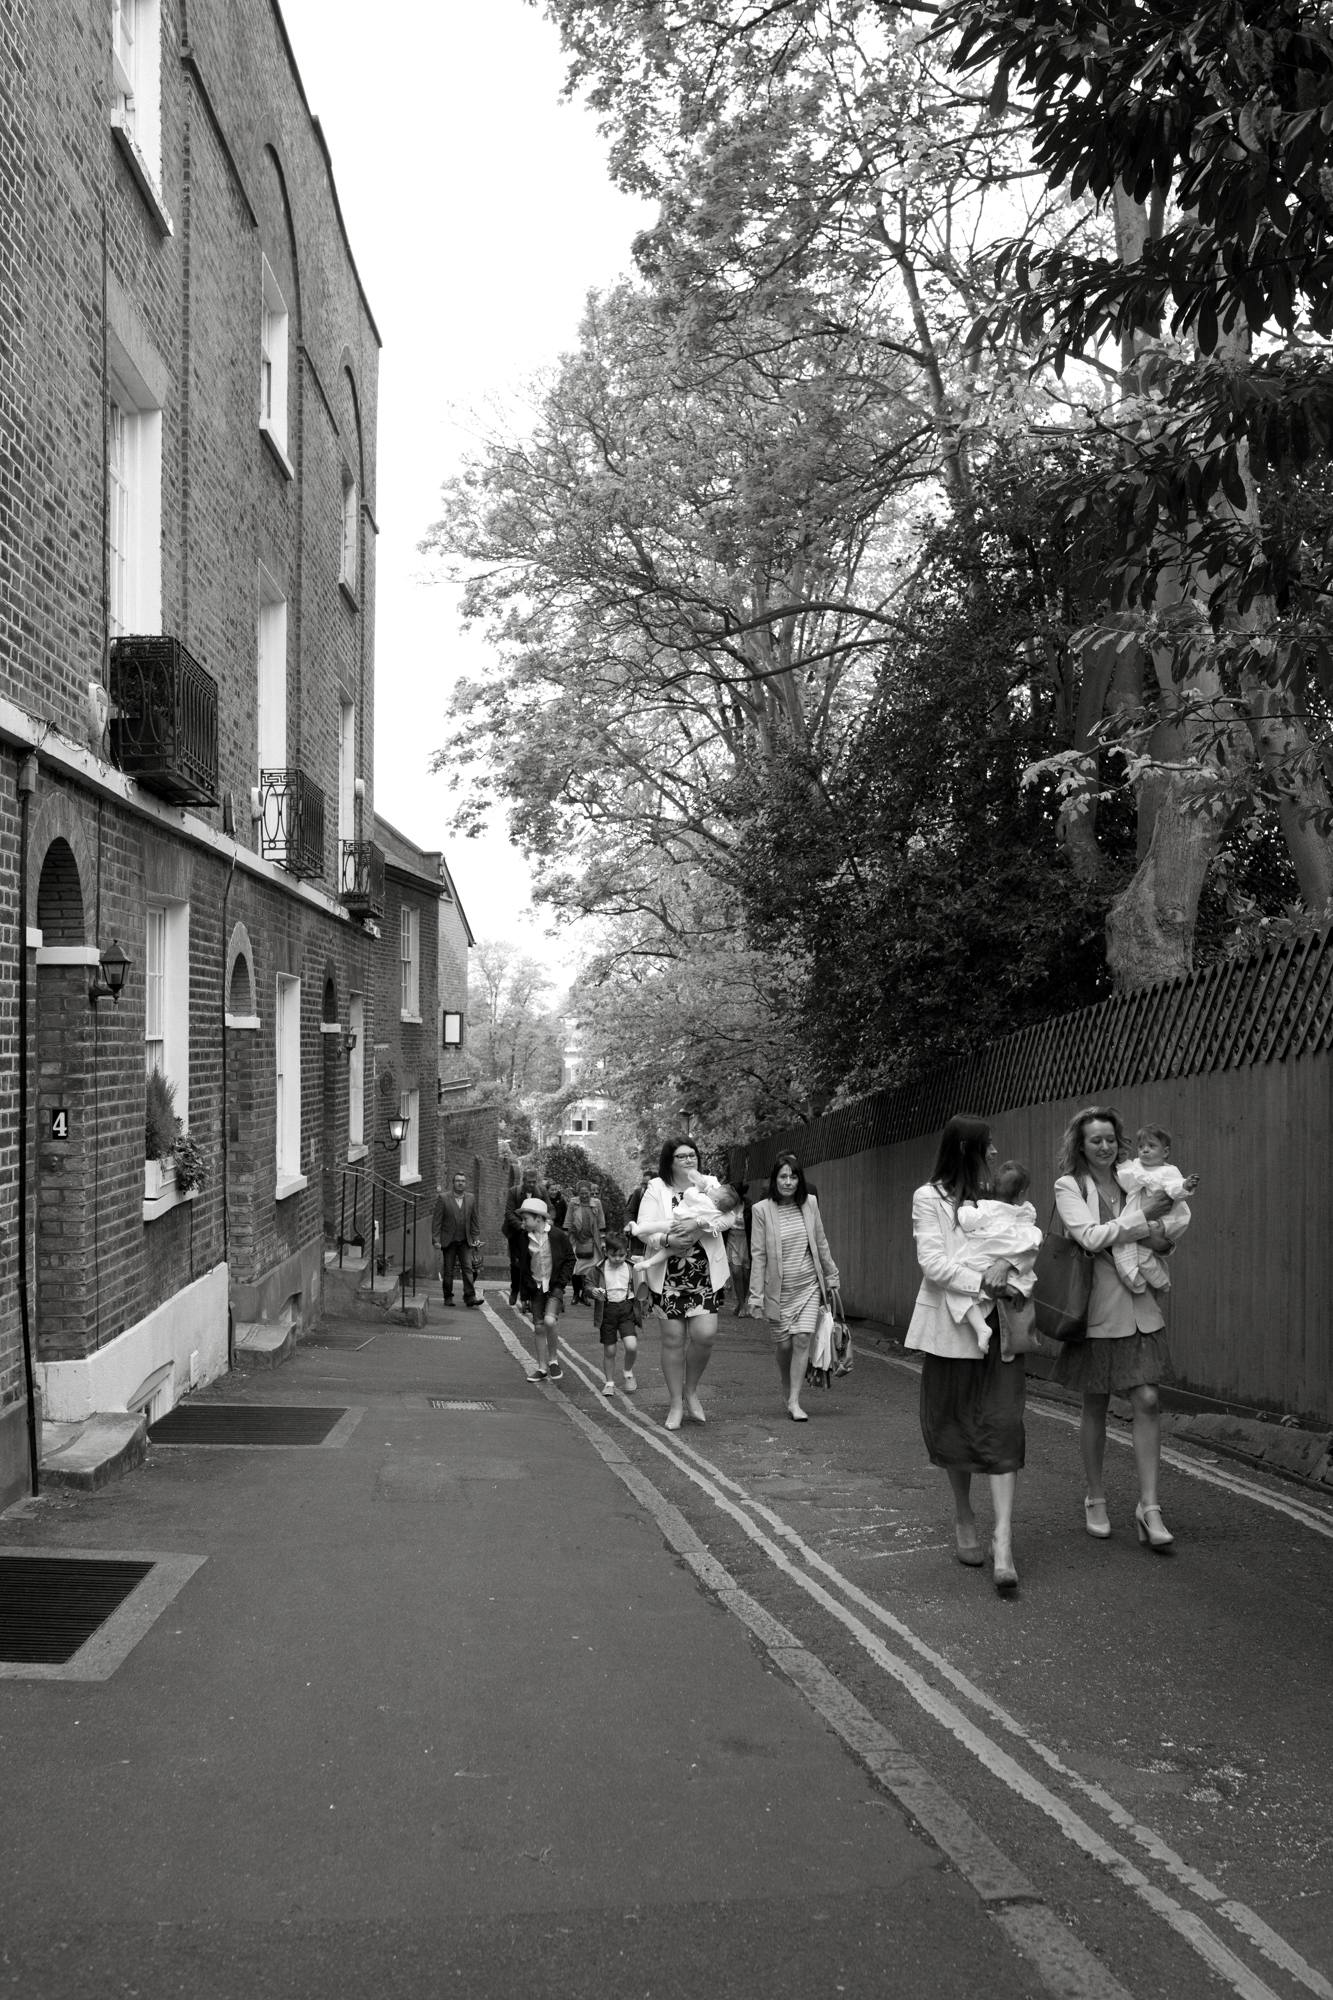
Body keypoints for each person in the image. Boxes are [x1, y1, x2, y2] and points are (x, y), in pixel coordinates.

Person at [1053, 1106, 1192, 1550]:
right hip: (1096, 1309)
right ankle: (1095, 1496)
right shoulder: (1069, 1186)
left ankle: (1149, 1507)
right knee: (1094, 1402)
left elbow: (1164, 1237)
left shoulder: (1138, 1176)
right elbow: (1089, 1236)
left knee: (1147, 1399)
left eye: (1111, 1138)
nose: (1106, 1146)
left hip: (1140, 1304)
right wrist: (1140, 1221)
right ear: (1081, 1144)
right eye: (1096, 1139)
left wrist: (1151, 1230)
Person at [906, 1116, 1030, 1590]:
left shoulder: (1003, 1196)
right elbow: (933, 1263)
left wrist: (1006, 1262)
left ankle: (1004, 1539)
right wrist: (983, 1279)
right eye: (988, 1145)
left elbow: (1027, 1241)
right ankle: (964, 1515)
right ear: (967, 1148)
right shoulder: (928, 1197)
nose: (995, 1153)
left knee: (1003, 1423)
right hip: (953, 1327)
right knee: (955, 1423)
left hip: (1001, 1325)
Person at [631, 1135, 737, 1430]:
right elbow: (644, 1230)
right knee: (674, 1340)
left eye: (692, 1155)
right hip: (668, 1275)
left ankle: (691, 1389)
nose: (690, 1160)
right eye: (682, 1156)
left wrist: (700, 1223)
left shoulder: (709, 1183)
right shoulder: (656, 1188)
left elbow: (731, 1216)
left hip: (703, 1274)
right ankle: (676, 1402)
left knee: (705, 1335)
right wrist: (667, 1239)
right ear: (670, 1161)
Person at [747, 1153, 841, 1423]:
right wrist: (755, 1295)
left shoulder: (810, 1203)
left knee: (802, 1340)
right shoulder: (761, 1210)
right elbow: (759, 1255)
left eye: (793, 1176)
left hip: (809, 1285)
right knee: (785, 1345)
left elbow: (820, 1242)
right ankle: (785, 1381)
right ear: (774, 1180)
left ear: (800, 1180)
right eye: (783, 1176)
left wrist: (831, 1274)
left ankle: (795, 1400)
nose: (788, 1182)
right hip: (779, 1291)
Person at [949, 1162, 1042, 1352]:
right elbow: (1032, 1236)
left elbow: (967, 1221)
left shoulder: (986, 1208)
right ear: (1021, 1195)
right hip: (1012, 1262)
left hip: (984, 1258)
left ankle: (981, 1328)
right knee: (1017, 1296)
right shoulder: (1023, 1212)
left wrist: (967, 1204)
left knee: (958, 1288)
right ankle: (1018, 1340)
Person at [1113, 1125, 1193, 1293]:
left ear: (1165, 1152)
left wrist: (1185, 1185)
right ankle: (1152, 1281)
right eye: (1141, 1147)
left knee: (1144, 1253)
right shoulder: (1137, 1166)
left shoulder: (1168, 1171)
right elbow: (1128, 1179)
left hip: (1165, 1217)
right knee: (1140, 1253)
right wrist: (1122, 1162)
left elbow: (1175, 1188)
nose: (1145, 1151)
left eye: (1151, 1146)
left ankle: (1159, 1281)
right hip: (1145, 1215)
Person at [515, 1196, 574, 1382]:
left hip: (554, 1287)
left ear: (538, 1218)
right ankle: (541, 1368)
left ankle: (553, 1361)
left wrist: (561, 1284)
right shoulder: (524, 1238)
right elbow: (521, 1267)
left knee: (549, 1321)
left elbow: (570, 1260)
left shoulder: (557, 1235)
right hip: (536, 1288)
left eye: (526, 1219)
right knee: (539, 1327)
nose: (523, 1222)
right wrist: (523, 1293)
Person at [587, 1228, 642, 1395]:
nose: (617, 1259)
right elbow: (588, 1285)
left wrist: (644, 1307)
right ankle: (609, 1382)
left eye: (622, 1255)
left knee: (631, 1346)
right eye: (613, 1255)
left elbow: (643, 1287)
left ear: (627, 1252)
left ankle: (628, 1372)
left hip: (626, 1309)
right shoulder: (598, 1269)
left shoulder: (633, 1267)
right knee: (610, 1350)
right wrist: (593, 1291)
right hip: (607, 1310)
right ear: (606, 1252)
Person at [432, 1171, 482, 1309]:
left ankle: (470, 1296)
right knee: (449, 1271)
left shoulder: (471, 1198)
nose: (461, 1183)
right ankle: (448, 1296)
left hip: (465, 1241)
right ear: (453, 1183)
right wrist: (436, 1239)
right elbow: (437, 1221)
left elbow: (474, 1221)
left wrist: (476, 1238)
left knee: (468, 1268)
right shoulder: (443, 1198)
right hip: (449, 1241)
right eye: (458, 1180)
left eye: (463, 1181)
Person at [502, 1169, 546, 1305]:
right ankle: (515, 1289)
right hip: (516, 1232)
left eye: (534, 1182)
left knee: (533, 1262)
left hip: (533, 1232)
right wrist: (521, 1225)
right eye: (529, 1182)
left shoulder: (541, 1192)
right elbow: (509, 1212)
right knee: (516, 1264)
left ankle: (530, 1292)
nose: (532, 1185)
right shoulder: (514, 1192)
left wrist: (549, 1220)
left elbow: (549, 1208)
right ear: (523, 1181)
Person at [565, 1180, 605, 1303]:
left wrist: (603, 1241)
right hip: (577, 1240)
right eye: (581, 1194)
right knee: (576, 1269)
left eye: (586, 1193)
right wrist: (566, 1240)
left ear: (590, 1192)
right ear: (578, 1193)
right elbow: (568, 1221)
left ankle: (585, 1294)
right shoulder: (573, 1203)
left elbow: (601, 1222)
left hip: (592, 1241)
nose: (584, 1196)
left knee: (589, 1270)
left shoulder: (597, 1203)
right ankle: (576, 1293)